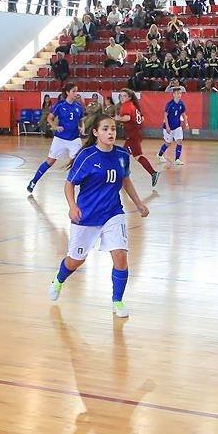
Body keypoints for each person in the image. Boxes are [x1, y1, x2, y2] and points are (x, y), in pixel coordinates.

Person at [47, 111, 150, 319]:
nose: (111, 132)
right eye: (105, 129)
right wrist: (72, 206)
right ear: (96, 132)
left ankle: (117, 301)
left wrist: (139, 203)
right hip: (86, 216)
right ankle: (58, 280)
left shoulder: (122, 156)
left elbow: (125, 181)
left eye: (113, 128)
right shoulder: (86, 157)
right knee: (75, 260)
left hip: (113, 213)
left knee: (120, 254)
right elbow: (69, 184)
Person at [27, 83, 84, 193]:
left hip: (74, 138)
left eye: (76, 91)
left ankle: (83, 188)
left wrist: (82, 128)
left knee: (79, 162)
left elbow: (81, 120)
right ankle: (34, 181)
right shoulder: (60, 105)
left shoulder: (79, 107)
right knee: (50, 161)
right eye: (74, 91)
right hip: (60, 139)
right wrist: (55, 127)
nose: (76, 93)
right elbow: (49, 118)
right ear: (67, 92)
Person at [115, 88, 160, 187]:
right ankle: (124, 176)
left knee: (136, 156)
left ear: (129, 97)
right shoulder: (134, 106)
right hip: (136, 134)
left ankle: (153, 173)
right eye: (121, 96)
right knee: (124, 155)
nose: (122, 98)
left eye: (124, 96)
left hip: (132, 135)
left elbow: (127, 118)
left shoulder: (127, 105)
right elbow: (141, 118)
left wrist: (117, 119)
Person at [157, 86, 188, 166]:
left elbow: (184, 114)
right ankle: (160, 154)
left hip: (177, 126)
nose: (179, 95)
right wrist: (167, 126)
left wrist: (186, 123)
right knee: (168, 143)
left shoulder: (181, 104)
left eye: (180, 93)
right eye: (177, 93)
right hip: (169, 127)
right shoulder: (170, 104)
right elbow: (165, 115)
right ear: (173, 94)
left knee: (179, 141)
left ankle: (177, 159)